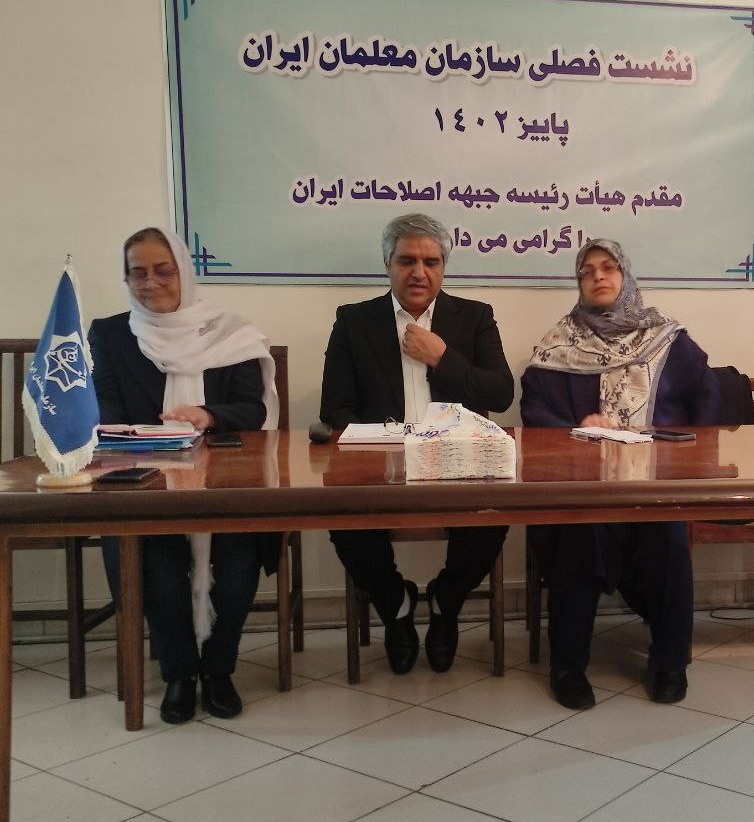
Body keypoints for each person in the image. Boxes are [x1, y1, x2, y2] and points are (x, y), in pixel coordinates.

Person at [89, 227, 278, 724]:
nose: (151, 283)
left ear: (184, 273)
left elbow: (251, 410)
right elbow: (105, 410)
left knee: (238, 565)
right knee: (159, 570)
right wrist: (148, 437)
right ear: (126, 278)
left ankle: (218, 670)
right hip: (145, 483)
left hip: (225, 484)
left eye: (163, 270)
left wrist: (207, 415)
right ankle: (179, 674)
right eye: (138, 273)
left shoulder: (230, 332)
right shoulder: (110, 335)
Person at [521, 239, 719, 709]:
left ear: (625, 275)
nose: (598, 276)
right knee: (578, 533)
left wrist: (677, 451)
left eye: (609, 267)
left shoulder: (668, 339)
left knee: (667, 535)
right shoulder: (558, 345)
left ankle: (669, 663)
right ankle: (567, 666)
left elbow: (708, 402)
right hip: (583, 488)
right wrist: (579, 429)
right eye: (587, 270)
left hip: (655, 485)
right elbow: (535, 412)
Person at [321, 213, 513, 675]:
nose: (419, 273)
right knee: (342, 519)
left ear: (444, 267)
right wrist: (383, 446)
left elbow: (501, 393)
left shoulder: (475, 317)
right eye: (406, 260)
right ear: (387, 264)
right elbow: (335, 408)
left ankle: (447, 599)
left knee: (495, 513)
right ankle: (397, 604)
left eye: (431, 262)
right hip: (381, 466)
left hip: (457, 464)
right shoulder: (354, 321)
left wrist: (443, 357)